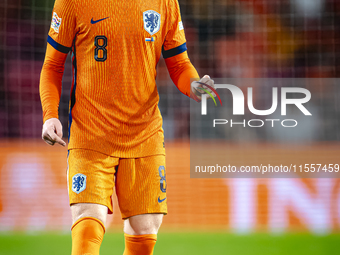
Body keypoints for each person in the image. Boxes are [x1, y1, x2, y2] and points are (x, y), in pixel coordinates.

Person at [39, 0, 215, 254]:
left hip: (144, 134)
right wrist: (50, 115)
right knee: (88, 225)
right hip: (90, 135)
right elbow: (52, 65)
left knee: (144, 233)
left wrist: (194, 85)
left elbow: (178, 63)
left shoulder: (166, 2)